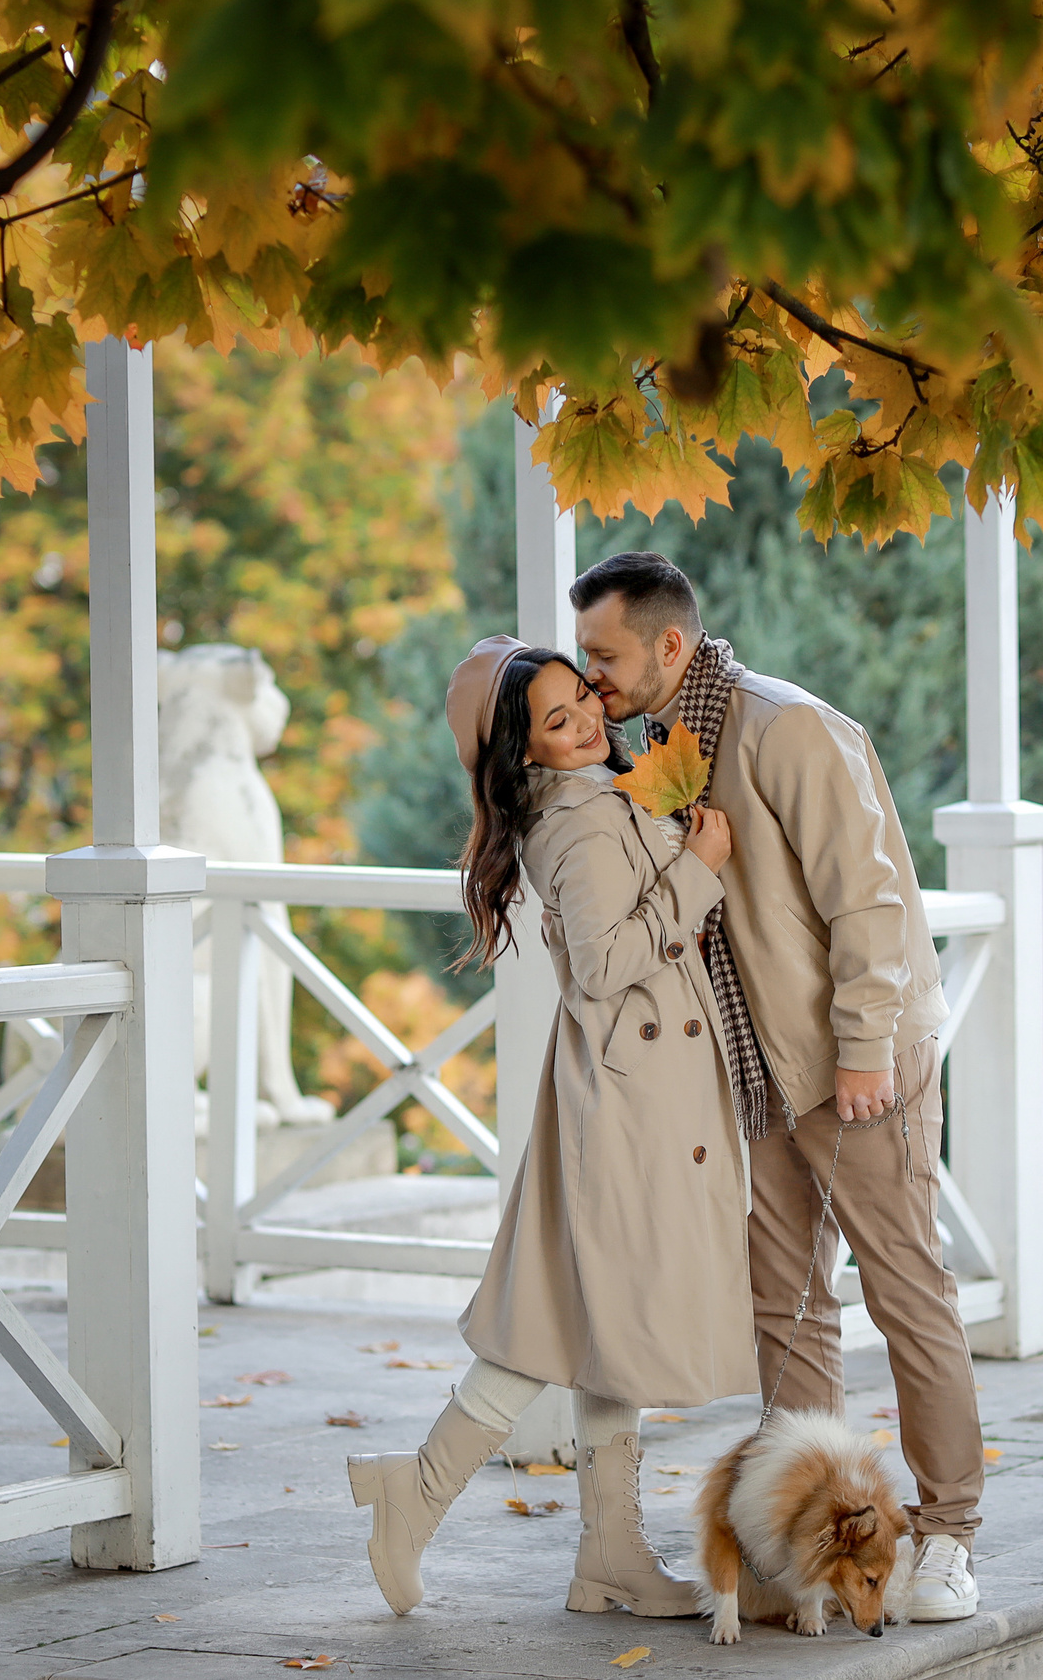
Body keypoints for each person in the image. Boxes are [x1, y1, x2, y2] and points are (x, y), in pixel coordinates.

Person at [570, 552, 982, 1623]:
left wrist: (862, 1047)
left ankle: (947, 1533)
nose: (591, 675)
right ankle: (816, 1539)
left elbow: (868, 902)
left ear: (668, 644)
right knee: (787, 1307)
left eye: (604, 655)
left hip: (852, 1062)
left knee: (905, 1290)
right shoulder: (657, 746)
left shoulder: (787, 729)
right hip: (752, 1073)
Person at [348, 635, 754, 1619]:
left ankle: (607, 1552)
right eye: (557, 720)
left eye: (583, 701)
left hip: (634, 1092)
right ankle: (419, 1492)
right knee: (567, 1321)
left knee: (605, 1323)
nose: (586, 725)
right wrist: (699, 870)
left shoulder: (605, 796)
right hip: (628, 1104)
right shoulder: (576, 824)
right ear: (522, 751)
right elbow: (606, 966)